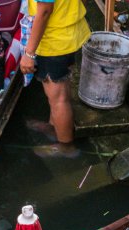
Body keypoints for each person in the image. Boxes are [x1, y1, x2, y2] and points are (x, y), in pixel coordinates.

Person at [19, 0, 90, 157]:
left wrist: (29, 53)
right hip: (70, 32)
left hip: (54, 40)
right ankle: (53, 128)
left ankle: (66, 146)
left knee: (58, 99)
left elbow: (44, 11)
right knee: (57, 94)